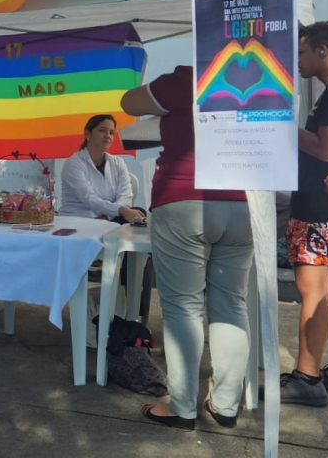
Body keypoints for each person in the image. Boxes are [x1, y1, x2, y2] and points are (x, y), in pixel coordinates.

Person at [121, 65, 253, 430]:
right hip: (243, 202)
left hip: (183, 198)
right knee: (232, 305)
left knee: (184, 308)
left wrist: (167, 111)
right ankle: (225, 406)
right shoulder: (260, 80)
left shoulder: (189, 78)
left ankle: (182, 407)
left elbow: (128, 102)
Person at [282, 21, 328, 406]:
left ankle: (307, 378)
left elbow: (324, 148)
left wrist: (280, 126)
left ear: (321, 50)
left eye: (301, 52)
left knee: (312, 291)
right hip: (324, 208)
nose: (296, 60)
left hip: (318, 211)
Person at [60, 114, 146, 224]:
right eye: (102, 130)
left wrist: (108, 216)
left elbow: (126, 196)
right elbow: (89, 198)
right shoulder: (74, 163)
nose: (107, 136)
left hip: (109, 218)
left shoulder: (118, 163)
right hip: (79, 220)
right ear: (88, 134)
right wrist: (119, 210)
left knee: (139, 212)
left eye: (111, 132)